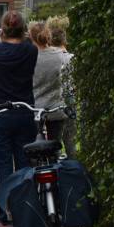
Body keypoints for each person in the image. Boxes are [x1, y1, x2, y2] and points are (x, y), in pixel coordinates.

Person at [0, 10, 38, 227]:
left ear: (3, 28)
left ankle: (4, 220)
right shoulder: (30, 50)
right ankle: (24, 218)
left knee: (4, 167)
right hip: (24, 112)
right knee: (24, 167)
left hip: (0, 113)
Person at [29, 21, 68, 142]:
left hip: (34, 110)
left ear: (31, 37)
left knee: (32, 147)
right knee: (55, 145)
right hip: (56, 108)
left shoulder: (29, 56)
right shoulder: (60, 55)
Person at [47, 16, 77, 158]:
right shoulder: (72, 58)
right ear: (64, 40)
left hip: (53, 98)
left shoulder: (50, 59)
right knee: (70, 139)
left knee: (54, 140)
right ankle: (73, 168)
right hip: (70, 98)